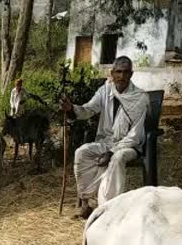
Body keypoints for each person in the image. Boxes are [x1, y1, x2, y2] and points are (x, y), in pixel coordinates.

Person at [61, 56, 149, 219]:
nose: (122, 76)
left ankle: (108, 210)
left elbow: (135, 135)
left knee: (117, 158)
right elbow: (88, 109)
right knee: (82, 152)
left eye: (126, 72)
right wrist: (71, 109)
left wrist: (111, 152)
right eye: (118, 72)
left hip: (128, 145)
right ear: (112, 73)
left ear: (131, 74)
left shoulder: (140, 97)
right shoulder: (105, 90)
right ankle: (86, 205)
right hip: (106, 142)